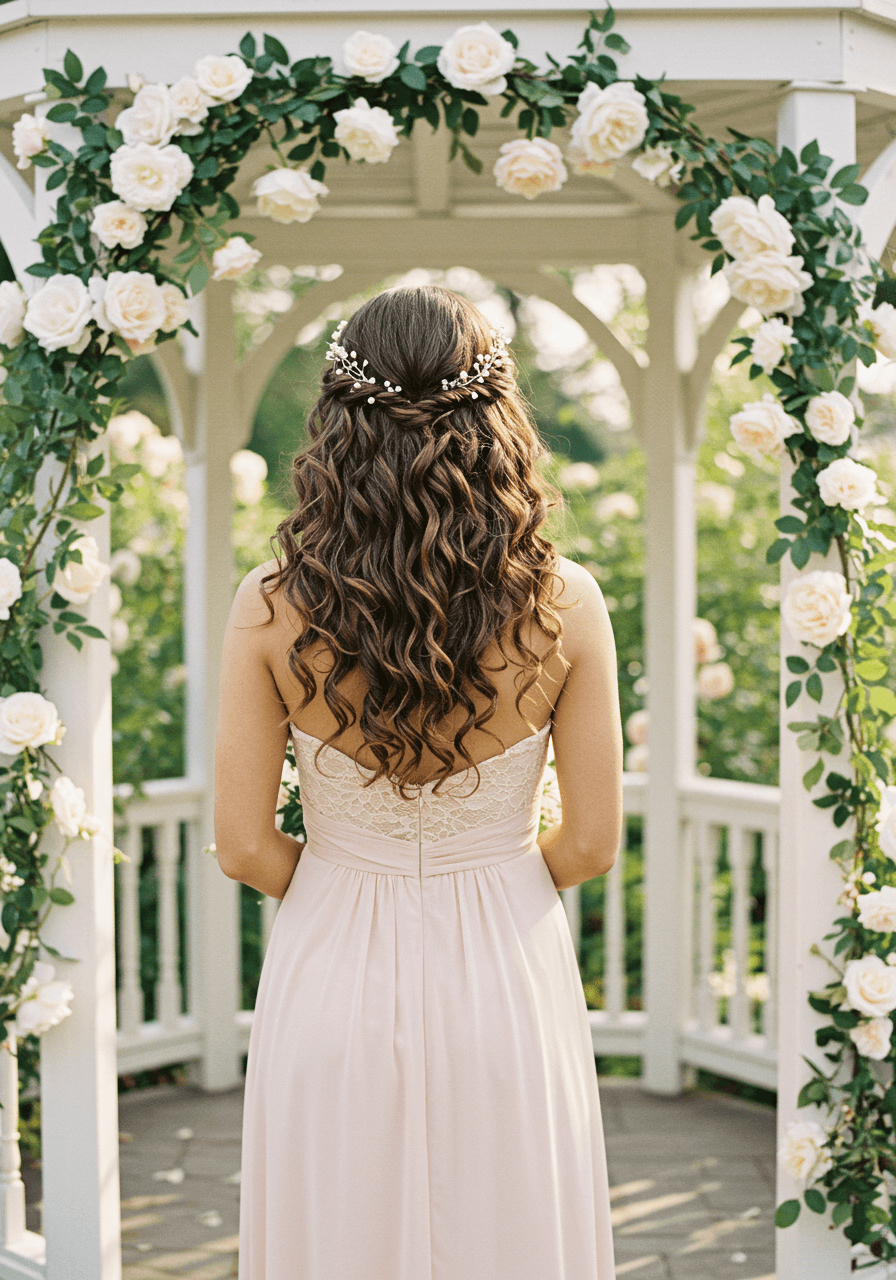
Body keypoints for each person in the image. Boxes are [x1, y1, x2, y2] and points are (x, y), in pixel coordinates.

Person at [214, 285, 623, 1279]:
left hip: (328, 958)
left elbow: (242, 843)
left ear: (336, 423)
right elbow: (589, 843)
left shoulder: (269, 607)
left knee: (336, 1236)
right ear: (495, 415)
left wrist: (350, 879)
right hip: (506, 960)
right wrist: (488, 874)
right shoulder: (565, 603)